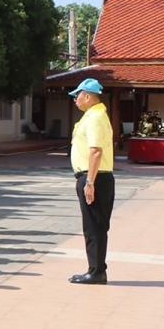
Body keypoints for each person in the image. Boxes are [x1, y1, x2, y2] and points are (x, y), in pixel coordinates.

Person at [68, 79, 114, 285]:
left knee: (94, 227)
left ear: (87, 96)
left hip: (95, 177)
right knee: (93, 226)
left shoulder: (95, 117)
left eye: (77, 95)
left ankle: (96, 272)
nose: (75, 100)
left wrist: (90, 183)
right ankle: (95, 269)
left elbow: (95, 151)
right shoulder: (92, 115)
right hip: (94, 176)